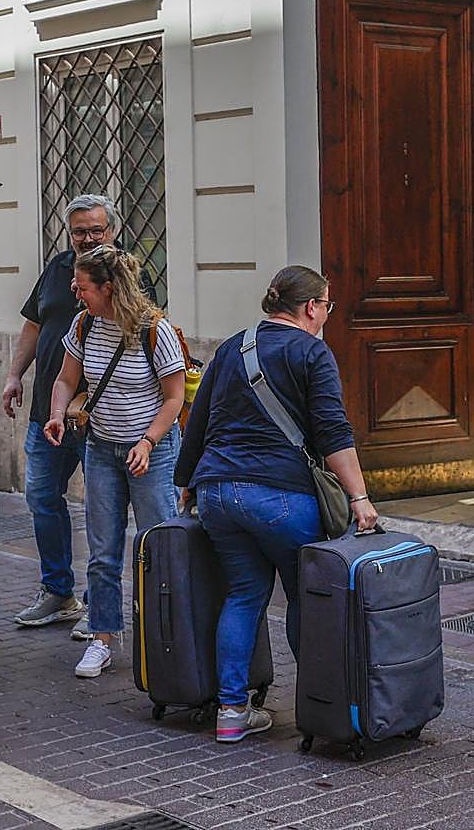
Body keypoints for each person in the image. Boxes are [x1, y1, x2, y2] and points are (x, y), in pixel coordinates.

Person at [175, 264, 379, 744]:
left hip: (218, 491)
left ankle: (231, 712)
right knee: (305, 598)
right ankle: (322, 708)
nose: (326, 314)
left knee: (244, 594)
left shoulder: (232, 347)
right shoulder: (312, 352)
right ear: (310, 307)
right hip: (281, 495)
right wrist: (359, 496)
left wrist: (186, 481)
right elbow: (332, 431)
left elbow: (198, 419)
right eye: (326, 306)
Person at [44, 245, 186, 679]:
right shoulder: (84, 324)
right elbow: (66, 379)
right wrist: (57, 413)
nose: (75, 291)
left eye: (82, 286)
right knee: (103, 553)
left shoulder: (154, 330)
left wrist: (148, 441)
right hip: (102, 449)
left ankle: (166, 636)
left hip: (151, 453)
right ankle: (102, 639)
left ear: (107, 288)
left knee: (158, 547)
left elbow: (174, 398)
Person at [3, 194, 120, 634]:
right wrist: (14, 375)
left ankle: (99, 605)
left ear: (112, 231)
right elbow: (35, 324)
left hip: (99, 418)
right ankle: (57, 591)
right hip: (47, 413)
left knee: (101, 509)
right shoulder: (58, 268)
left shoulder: (123, 273)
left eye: (96, 230)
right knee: (41, 498)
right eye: (79, 231)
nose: (88, 239)